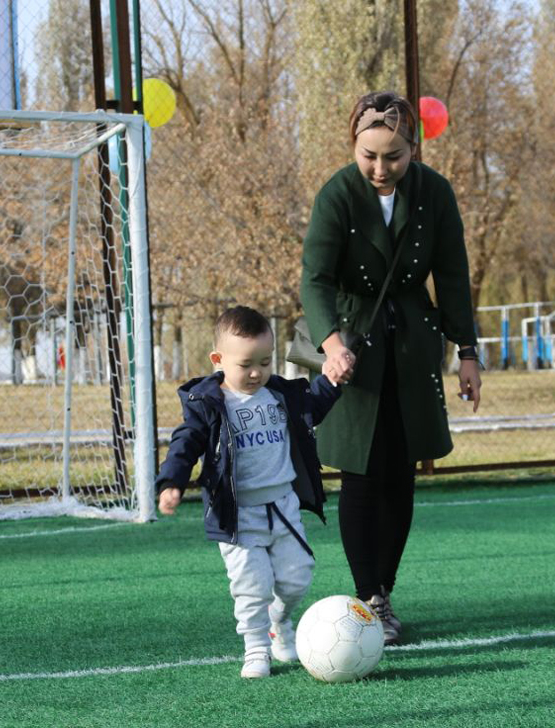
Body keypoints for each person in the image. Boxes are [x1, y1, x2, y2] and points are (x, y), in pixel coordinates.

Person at [300, 91, 482, 644]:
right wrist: (331, 343)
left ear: (413, 148)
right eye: (369, 156)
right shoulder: (336, 195)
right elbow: (315, 279)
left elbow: (451, 275)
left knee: (400, 475)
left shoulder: (435, 192)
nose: (381, 168)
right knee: (360, 473)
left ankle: (383, 594)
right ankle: (365, 598)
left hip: (413, 346)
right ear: (353, 146)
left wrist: (467, 352)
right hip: (352, 347)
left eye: (395, 156)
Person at [155, 306, 342, 679]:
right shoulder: (208, 405)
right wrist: (171, 482)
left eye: (265, 362)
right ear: (218, 360)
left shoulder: (280, 395)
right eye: (245, 364)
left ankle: (279, 622)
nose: (256, 372)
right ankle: (256, 647)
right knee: (252, 585)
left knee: (297, 577)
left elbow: (314, 405)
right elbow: (185, 443)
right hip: (239, 515)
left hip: (283, 506)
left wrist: (334, 379)